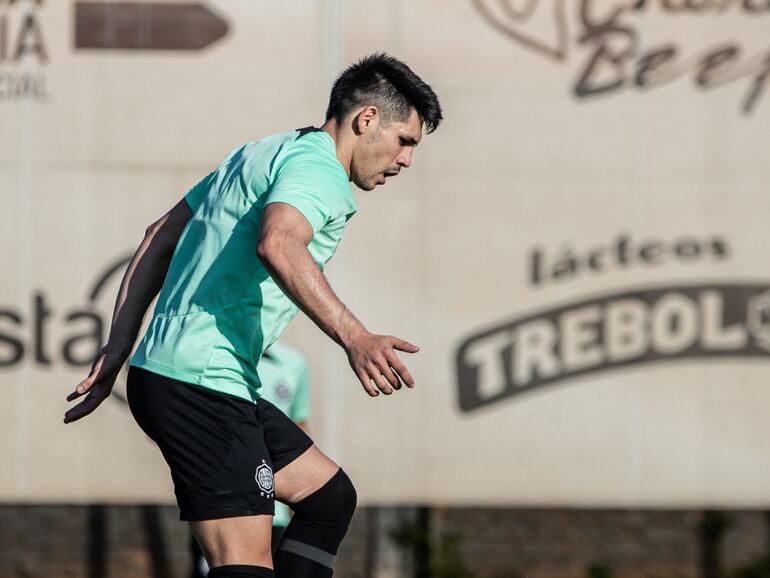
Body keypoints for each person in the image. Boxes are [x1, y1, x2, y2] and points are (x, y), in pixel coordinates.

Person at [64, 53, 442, 578]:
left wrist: (117, 350)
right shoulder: (320, 171)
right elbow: (280, 243)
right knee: (245, 565)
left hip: (192, 377)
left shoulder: (263, 151)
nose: (405, 160)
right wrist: (356, 336)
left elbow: (159, 235)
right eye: (406, 141)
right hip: (201, 385)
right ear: (367, 120)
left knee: (329, 498)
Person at [191, 342, 313, 578]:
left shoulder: (294, 363)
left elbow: (300, 428)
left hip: (275, 512)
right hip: (218, 505)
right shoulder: (209, 356)